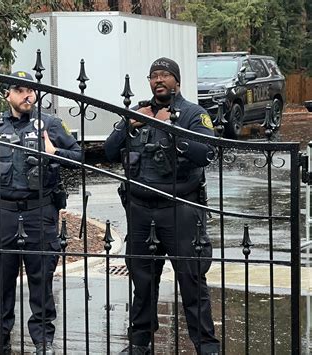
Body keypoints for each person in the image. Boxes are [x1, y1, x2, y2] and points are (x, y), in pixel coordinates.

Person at [104, 58, 220, 355]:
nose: (159, 80)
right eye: (154, 75)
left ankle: (206, 347)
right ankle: (139, 343)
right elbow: (108, 150)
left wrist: (170, 128)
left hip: (180, 207)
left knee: (192, 281)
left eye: (165, 75)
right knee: (142, 281)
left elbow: (207, 153)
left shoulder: (193, 114)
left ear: (176, 81)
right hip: (141, 210)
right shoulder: (138, 113)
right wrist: (129, 124)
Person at [0, 71, 82, 355]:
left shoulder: (52, 125)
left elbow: (79, 158)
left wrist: (53, 151)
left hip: (39, 211)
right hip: (2, 211)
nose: (26, 95)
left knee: (40, 276)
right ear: (8, 95)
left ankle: (43, 341)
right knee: (1, 276)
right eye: (19, 90)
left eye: (30, 90)